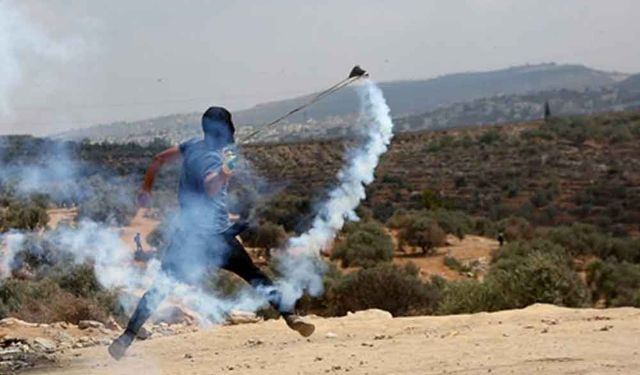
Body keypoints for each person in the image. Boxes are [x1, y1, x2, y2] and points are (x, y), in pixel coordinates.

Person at [108, 107, 314, 360]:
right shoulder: (213, 159)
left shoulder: (192, 146)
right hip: (215, 238)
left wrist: (146, 190)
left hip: (186, 238)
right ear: (225, 130)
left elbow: (158, 160)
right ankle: (289, 316)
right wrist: (225, 171)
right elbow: (210, 187)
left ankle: (126, 337)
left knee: (160, 288)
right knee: (254, 275)